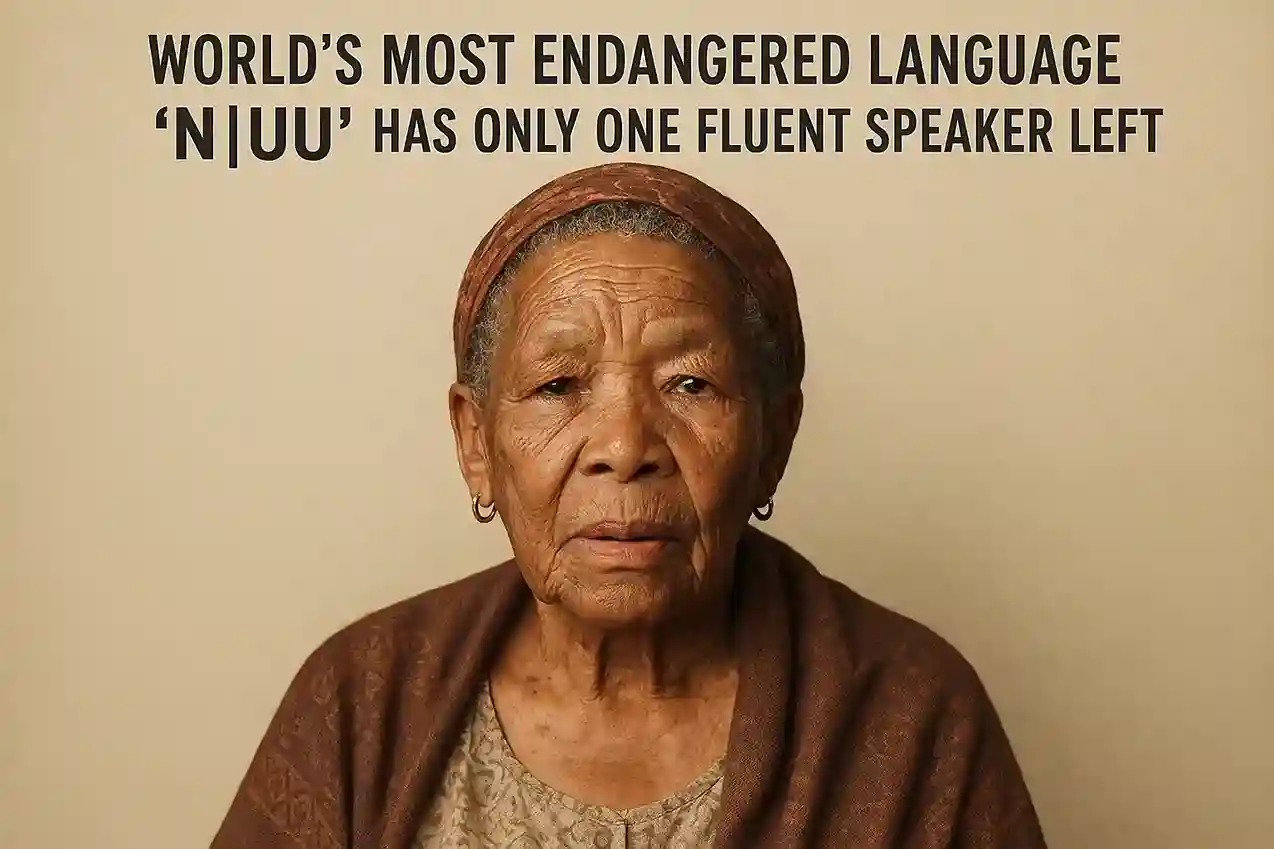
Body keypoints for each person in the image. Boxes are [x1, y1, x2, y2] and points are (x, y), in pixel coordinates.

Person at [210, 162, 1048, 849]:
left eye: (690, 382)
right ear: (476, 442)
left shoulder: (910, 715)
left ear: (774, 438)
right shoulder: (361, 700)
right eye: (557, 385)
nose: (624, 444)